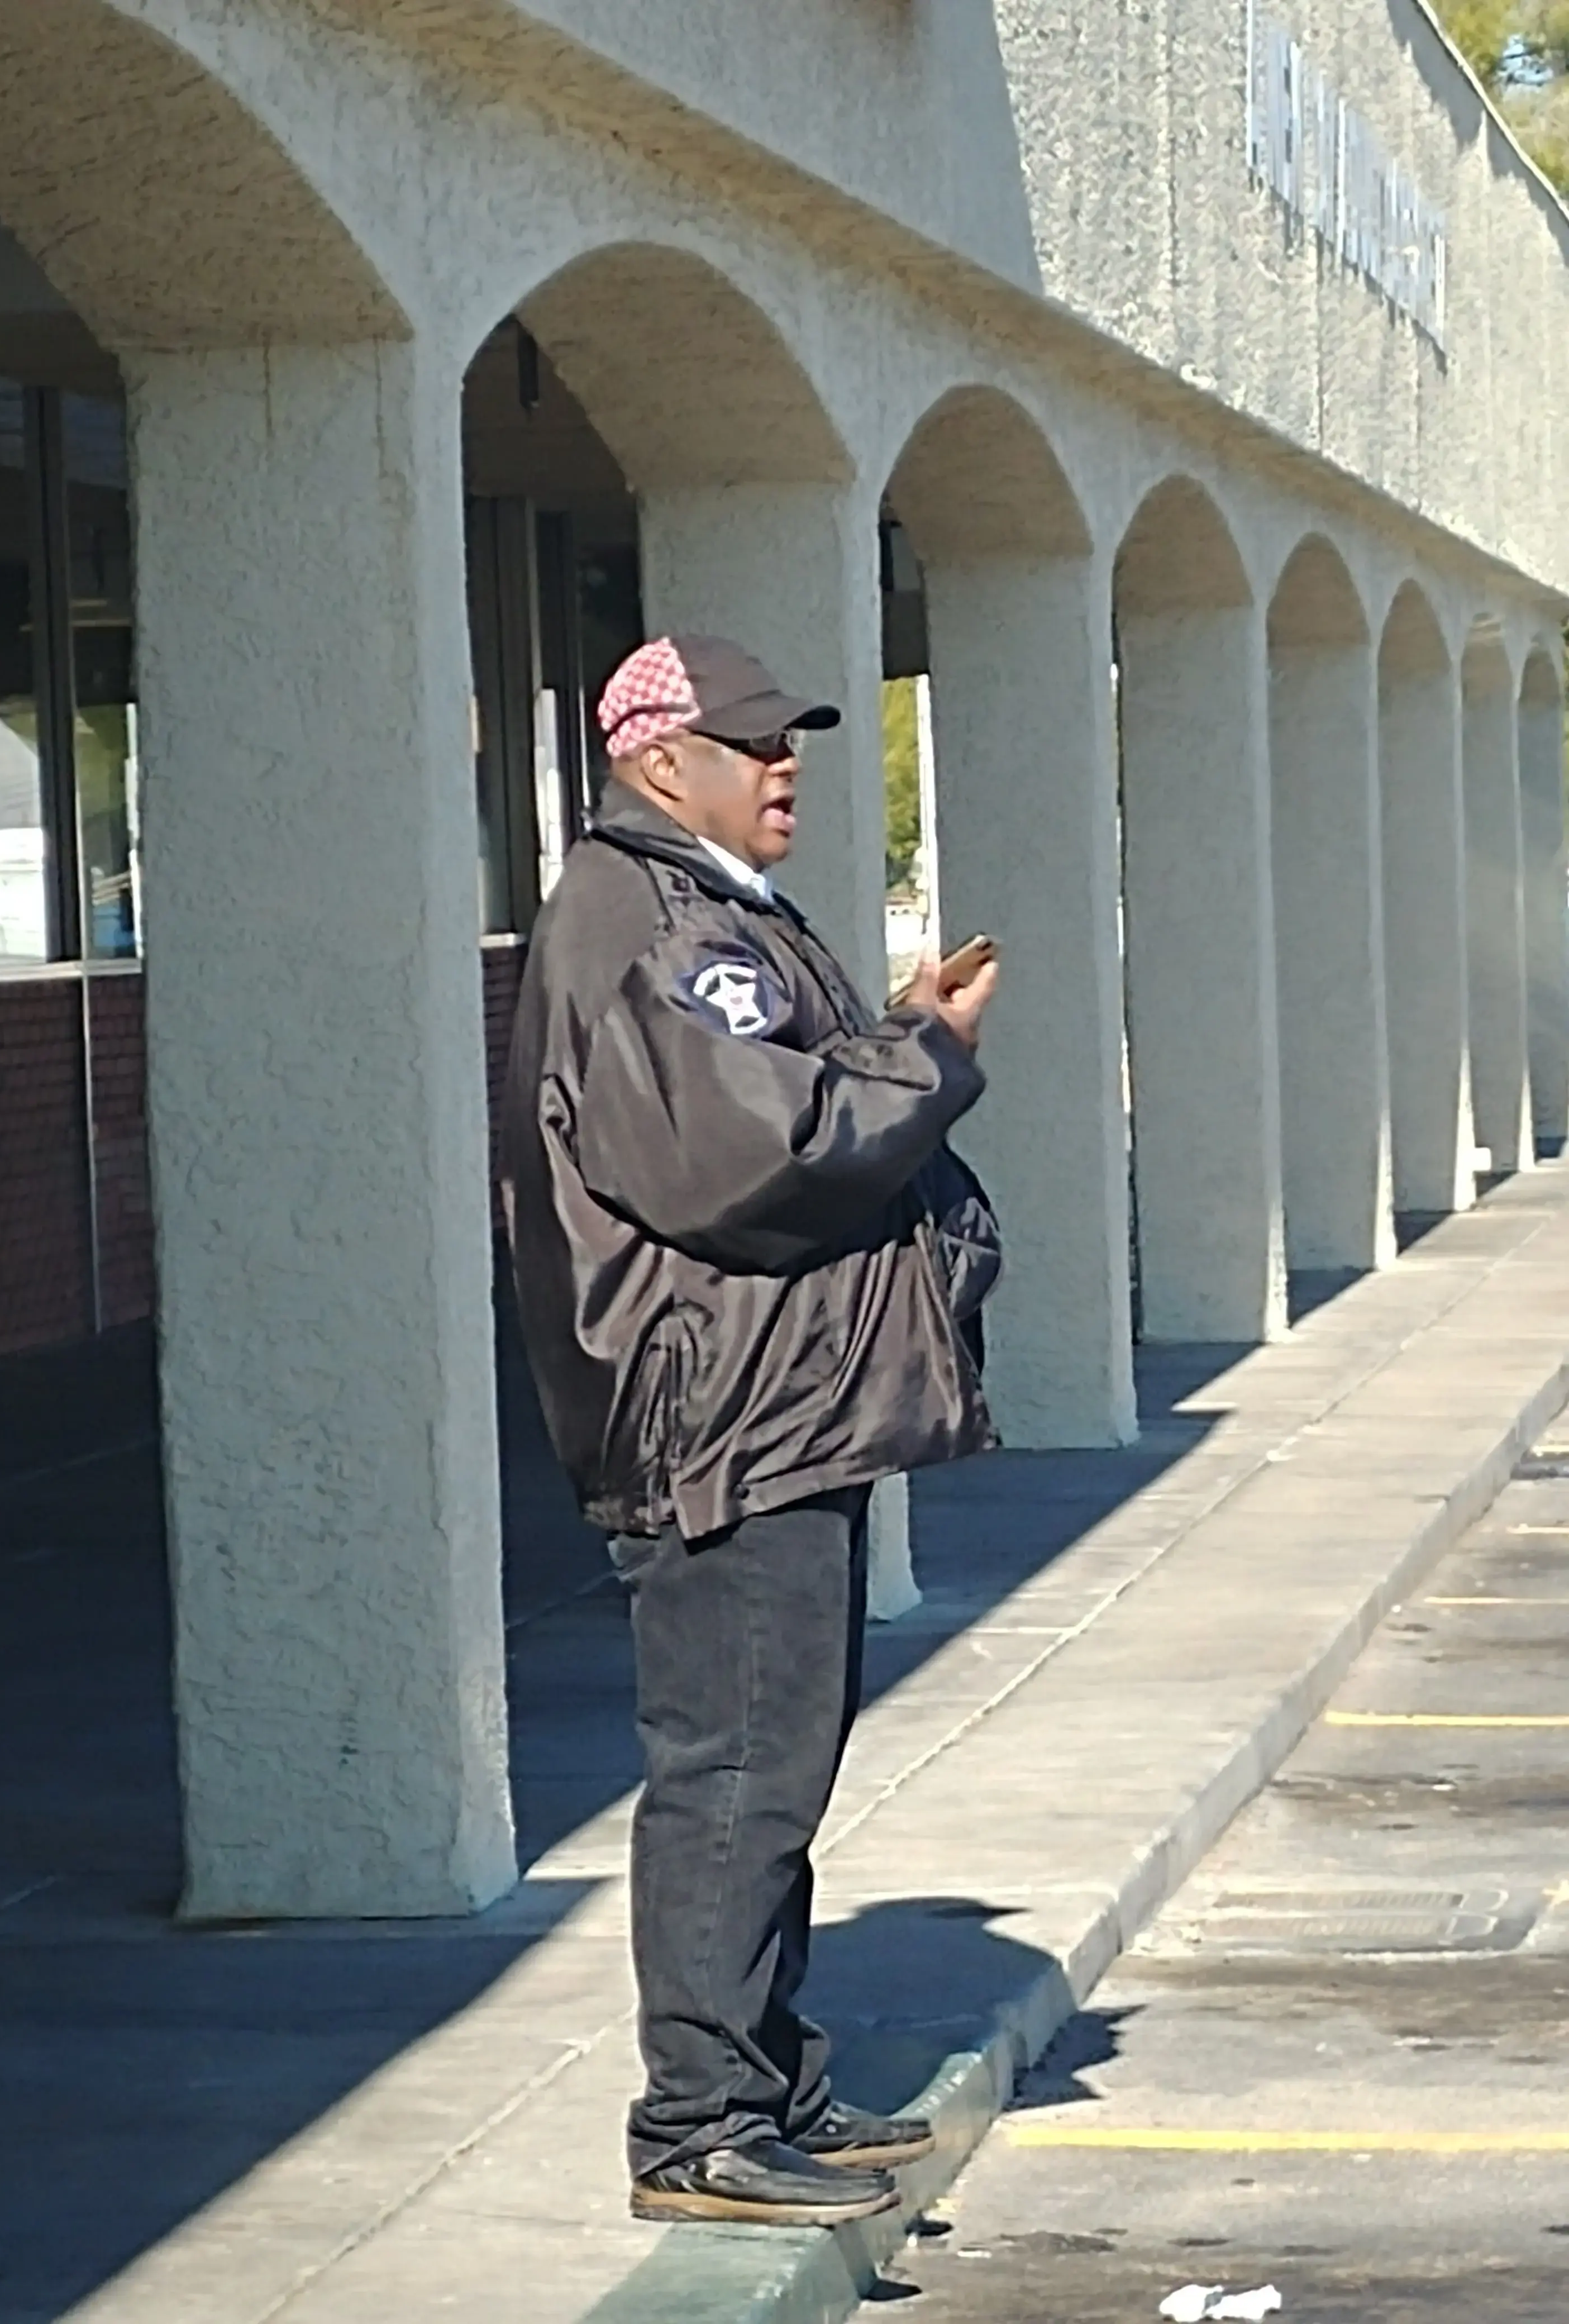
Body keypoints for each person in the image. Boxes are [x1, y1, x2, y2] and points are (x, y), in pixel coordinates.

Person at [501, 634, 1000, 2228]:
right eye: (753, 742)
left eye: (793, 742)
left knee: (779, 1764)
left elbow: (777, 1104)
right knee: (733, 1772)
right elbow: (751, 1152)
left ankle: (768, 2080)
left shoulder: (711, 911)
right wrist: (931, 1055)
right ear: (662, 761)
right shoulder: (650, 922)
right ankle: (701, 2123)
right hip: (725, 1420)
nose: (786, 766)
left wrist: (897, 1038)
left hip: (773, 1410)